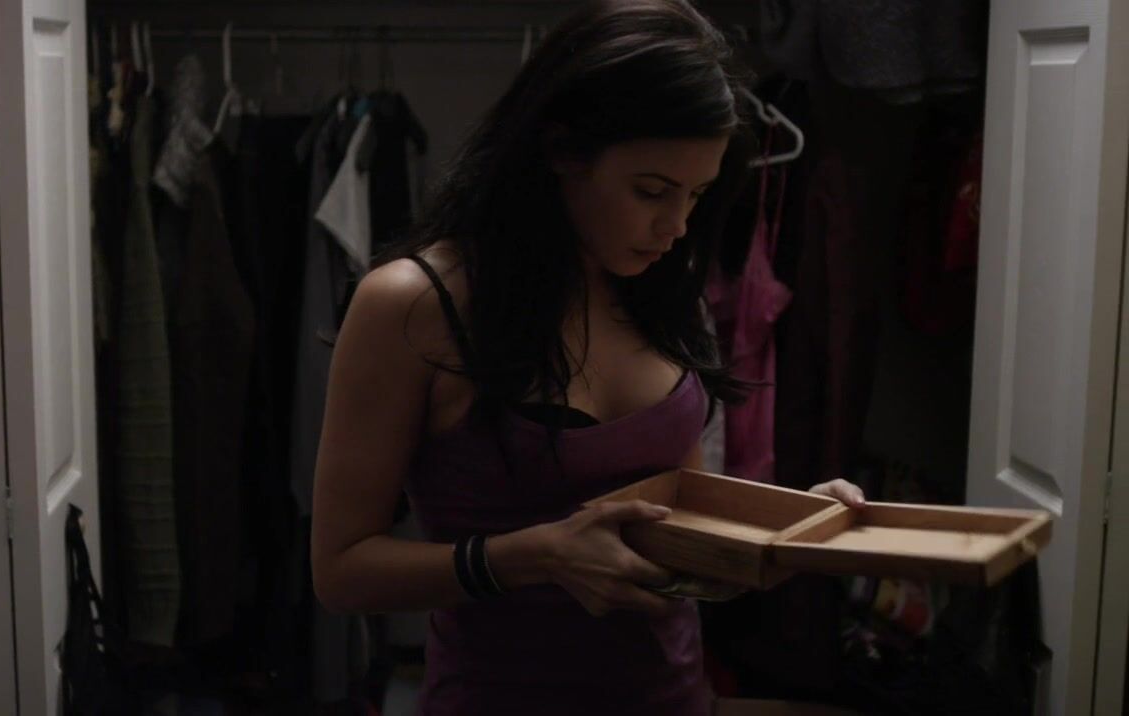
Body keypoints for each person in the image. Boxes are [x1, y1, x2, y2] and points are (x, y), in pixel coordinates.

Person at [311, 1, 865, 712]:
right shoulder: (415, 305)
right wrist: (537, 555)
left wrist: (783, 538)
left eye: (696, 196)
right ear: (561, 150)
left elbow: (675, 536)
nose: (676, 226)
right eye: (651, 191)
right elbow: (341, 572)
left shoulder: (660, 287)